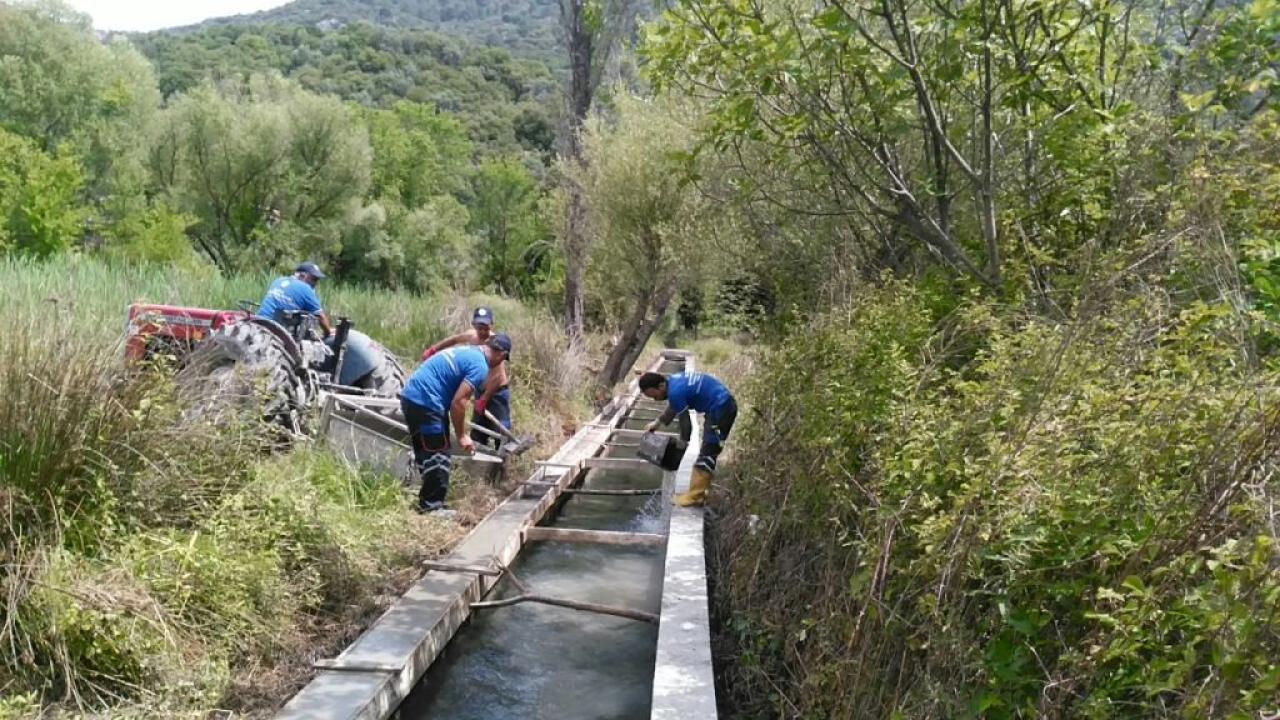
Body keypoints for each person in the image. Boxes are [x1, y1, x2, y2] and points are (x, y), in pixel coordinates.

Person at [401, 332, 513, 513]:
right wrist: (462, 436)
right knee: (438, 454)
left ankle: (426, 500)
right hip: (427, 402)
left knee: (427, 451)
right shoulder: (480, 365)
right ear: (501, 355)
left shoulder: (468, 351)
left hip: (412, 397)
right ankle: (431, 507)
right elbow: (459, 402)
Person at [639, 370, 737, 507]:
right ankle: (700, 492)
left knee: (708, 451)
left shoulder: (674, 392)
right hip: (721, 404)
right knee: (709, 449)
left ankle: (695, 496)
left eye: (653, 395)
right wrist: (658, 423)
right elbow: (674, 406)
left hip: (720, 408)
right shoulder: (673, 381)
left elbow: (686, 424)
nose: (654, 399)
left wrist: (682, 444)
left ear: (660, 386)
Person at [421, 307, 512, 451]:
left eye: (486, 328)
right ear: (474, 325)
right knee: (478, 427)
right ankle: (478, 459)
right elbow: (453, 339)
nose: (482, 331)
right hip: (479, 389)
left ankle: (503, 459)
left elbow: (498, 377)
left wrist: (485, 398)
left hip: (496, 393)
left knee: (500, 428)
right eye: (479, 327)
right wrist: (433, 349)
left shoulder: (496, 345)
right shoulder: (471, 336)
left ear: (491, 325)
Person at [257, 261, 333, 336]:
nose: (315, 283)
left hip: (259, 321)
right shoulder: (305, 289)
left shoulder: (279, 280)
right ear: (302, 276)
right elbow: (321, 316)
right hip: (276, 328)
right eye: (314, 279)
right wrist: (328, 332)